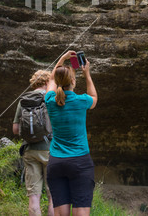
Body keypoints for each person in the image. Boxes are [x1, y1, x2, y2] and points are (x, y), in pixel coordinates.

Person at [45, 50, 97, 216]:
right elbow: (94, 97)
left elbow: (52, 79)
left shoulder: (50, 101)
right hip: (80, 161)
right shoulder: (82, 100)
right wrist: (87, 73)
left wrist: (62, 59)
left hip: (56, 162)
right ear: (73, 81)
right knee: (81, 212)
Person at [13, 70, 54, 216]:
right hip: (50, 151)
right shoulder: (50, 98)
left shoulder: (23, 100)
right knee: (53, 197)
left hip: (30, 151)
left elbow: (15, 129)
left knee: (34, 198)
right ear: (47, 82)